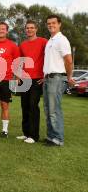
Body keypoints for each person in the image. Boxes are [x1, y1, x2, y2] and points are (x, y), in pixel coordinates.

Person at [43, 14, 74, 147]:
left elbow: (68, 60)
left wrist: (69, 77)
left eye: (53, 23)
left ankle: (58, 139)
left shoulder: (62, 40)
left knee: (54, 110)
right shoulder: (50, 40)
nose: (51, 25)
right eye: (49, 23)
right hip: (48, 78)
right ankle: (51, 136)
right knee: (48, 109)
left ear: (59, 24)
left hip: (57, 78)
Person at [16, 20, 47, 144]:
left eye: (32, 28)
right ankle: (26, 133)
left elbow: (50, 58)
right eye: (27, 28)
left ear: (36, 29)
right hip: (24, 79)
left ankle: (34, 136)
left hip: (37, 79)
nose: (29, 30)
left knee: (33, 106)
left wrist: (46, 75)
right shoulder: (22, 44)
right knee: (25, 106)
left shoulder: (44, 42)